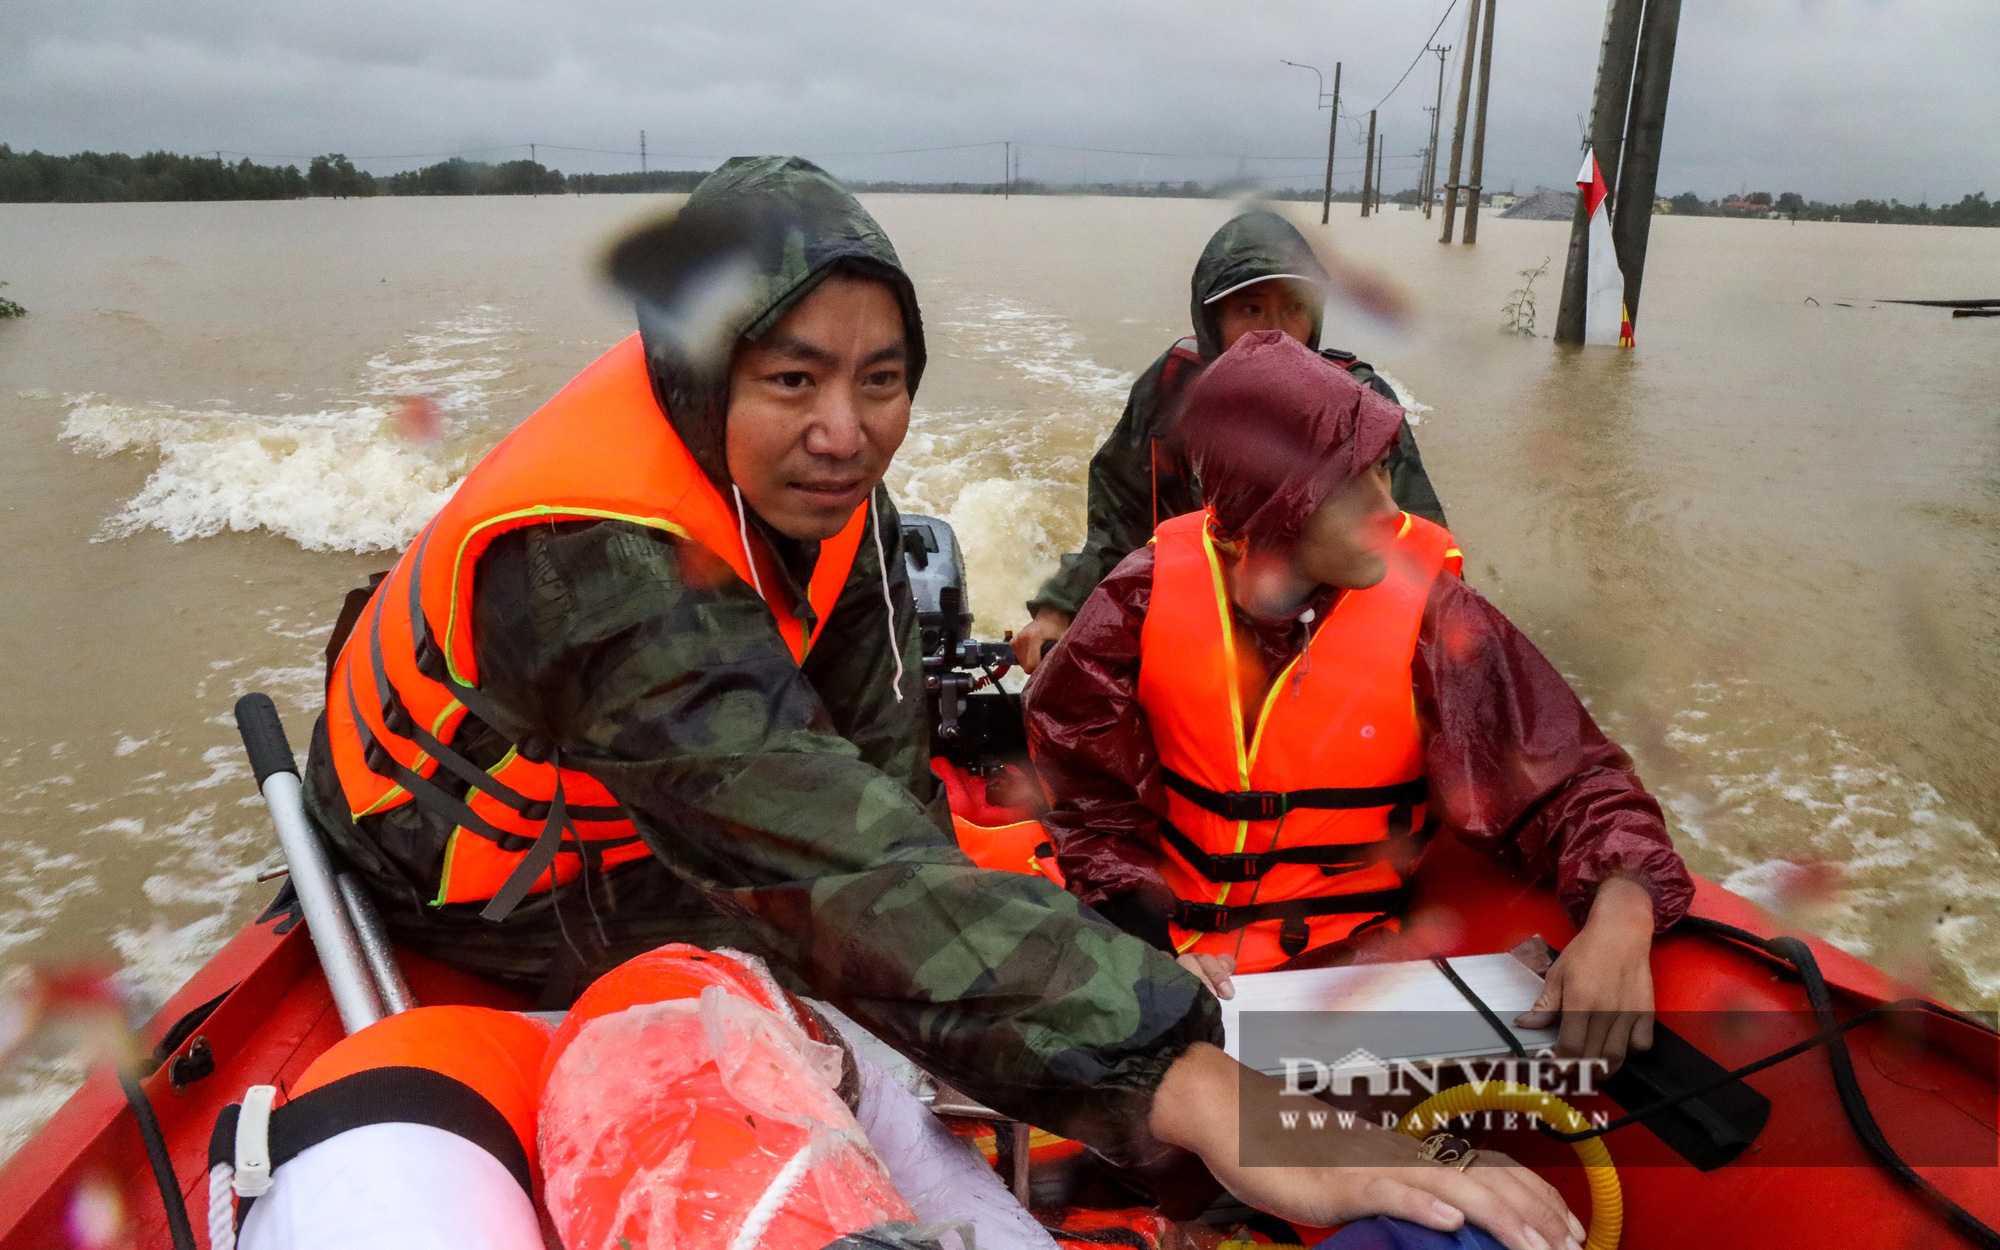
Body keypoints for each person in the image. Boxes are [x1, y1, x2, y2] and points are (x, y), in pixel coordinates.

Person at [301, 158, 1579, 1250]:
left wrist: (985, 963)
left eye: (881, 378)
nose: (846, 433)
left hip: (682, 807)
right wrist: (1191, 1082)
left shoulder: (835, 505)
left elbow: (882, 786)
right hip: (491, 880)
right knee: (840, 934)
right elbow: (827, 878)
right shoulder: (600, 564)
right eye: (791, 381)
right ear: (703, 374)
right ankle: (1016, 1160)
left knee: (946, 887)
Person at [1026, 330, 1693, 1070]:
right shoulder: (1139, 599)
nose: (1388, 508)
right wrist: (1148, 949)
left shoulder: (1435, 617)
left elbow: (1574, 782)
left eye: (1384, 471)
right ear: (1271, 509)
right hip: (1176, 952)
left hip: (1351, 972)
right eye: (1354, 487)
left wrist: (1625, 907)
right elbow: (1086, 799)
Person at [1012, 209, 1447, 672]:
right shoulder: (1170, 391)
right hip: (1192, 636)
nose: (1276, 331)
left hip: (1321, 649)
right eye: (1251, 309)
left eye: (1295, 307)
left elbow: (1420, 548)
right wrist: (1059, 611)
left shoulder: (1363, 405)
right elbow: (1119, 523)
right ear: (1211, 321)